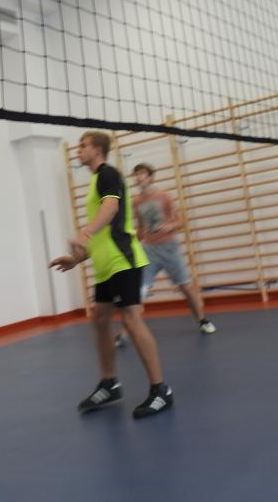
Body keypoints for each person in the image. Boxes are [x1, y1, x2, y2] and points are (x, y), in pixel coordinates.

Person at [50, 131, 173, 419]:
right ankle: (110, 384)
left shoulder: (108, 174)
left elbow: (111, 207)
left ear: (97, 149)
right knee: (100, 318)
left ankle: (161, 390)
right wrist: (77, 259)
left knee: (130, 318)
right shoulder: (96, 181)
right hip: (106, 265)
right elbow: (104, 232)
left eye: (83, 146)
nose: (78, 150)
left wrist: (84, 232)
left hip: (124, 260)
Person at [130, 163, 214, 333]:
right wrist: (133, 246)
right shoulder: (136, 202)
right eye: (136, 174)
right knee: (139, 291)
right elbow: (141, 227)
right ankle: (127, 332)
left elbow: (181, 221)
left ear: (150, 177)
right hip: (149, 251)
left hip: (169, 248)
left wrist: (170, 226)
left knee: (185, 287)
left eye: (142, 173)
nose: (138, 177)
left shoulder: (164, 197)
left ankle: (202, 320)